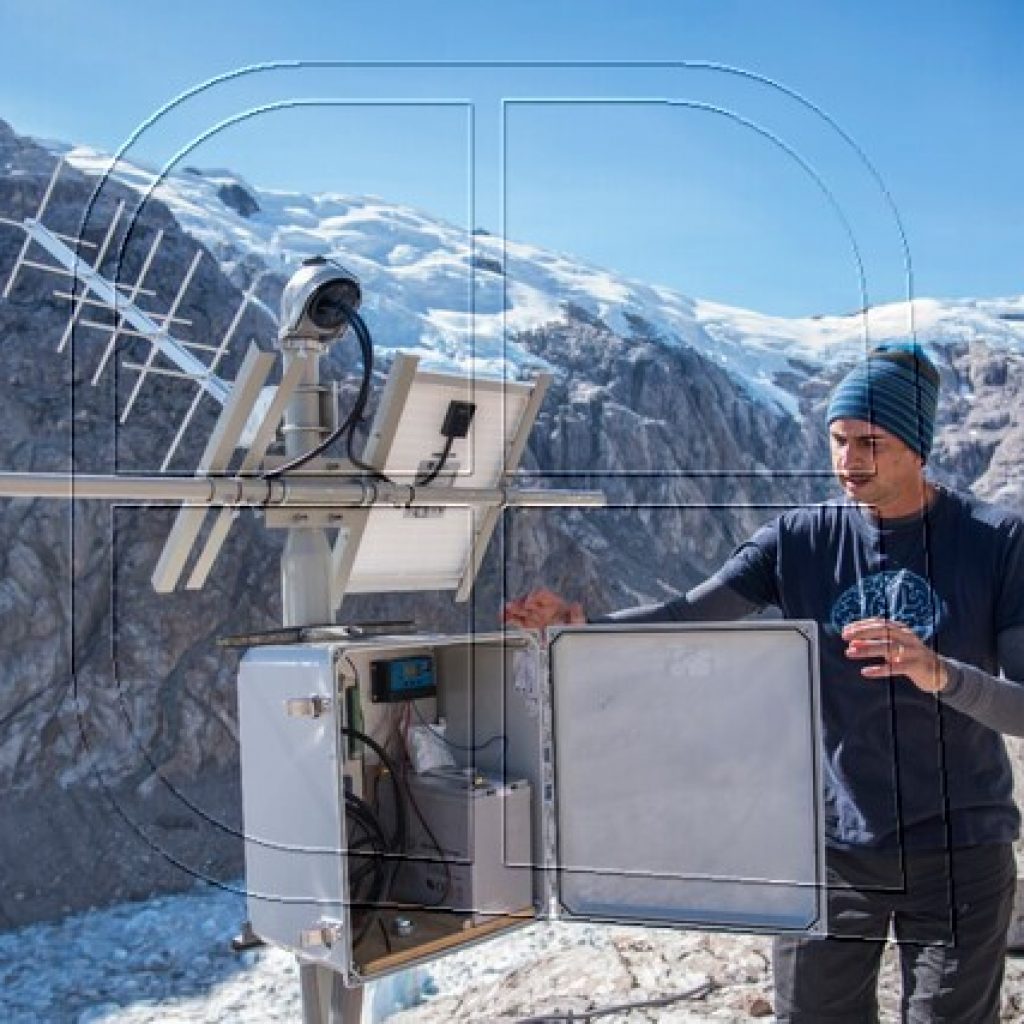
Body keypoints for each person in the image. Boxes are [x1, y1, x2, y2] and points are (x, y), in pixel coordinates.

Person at [504, 342, 1024, 1023]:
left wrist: (939, 673)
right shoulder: (799, 540)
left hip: (961, 849)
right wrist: (581, 627)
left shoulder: (996, 542)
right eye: (837, 440)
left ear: (918, 445)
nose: (848, 461)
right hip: (833, 850)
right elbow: (691, 613)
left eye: (870, 442)